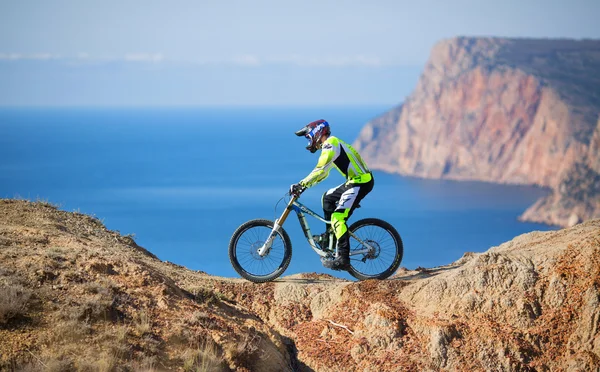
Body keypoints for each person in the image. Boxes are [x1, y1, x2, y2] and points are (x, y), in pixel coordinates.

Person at [290, 119, 374, 271]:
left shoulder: (330, 144)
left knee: (337, 218)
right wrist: (305, 186)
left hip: (360, 182)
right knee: (327, 197)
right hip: (355, 181)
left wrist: (301, 184)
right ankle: (330, 237)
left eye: (309, 136)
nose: (309, 140)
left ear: (317, 132)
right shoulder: (331, 145)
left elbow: (320, 170)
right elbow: (323, 174)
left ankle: (343, 258)